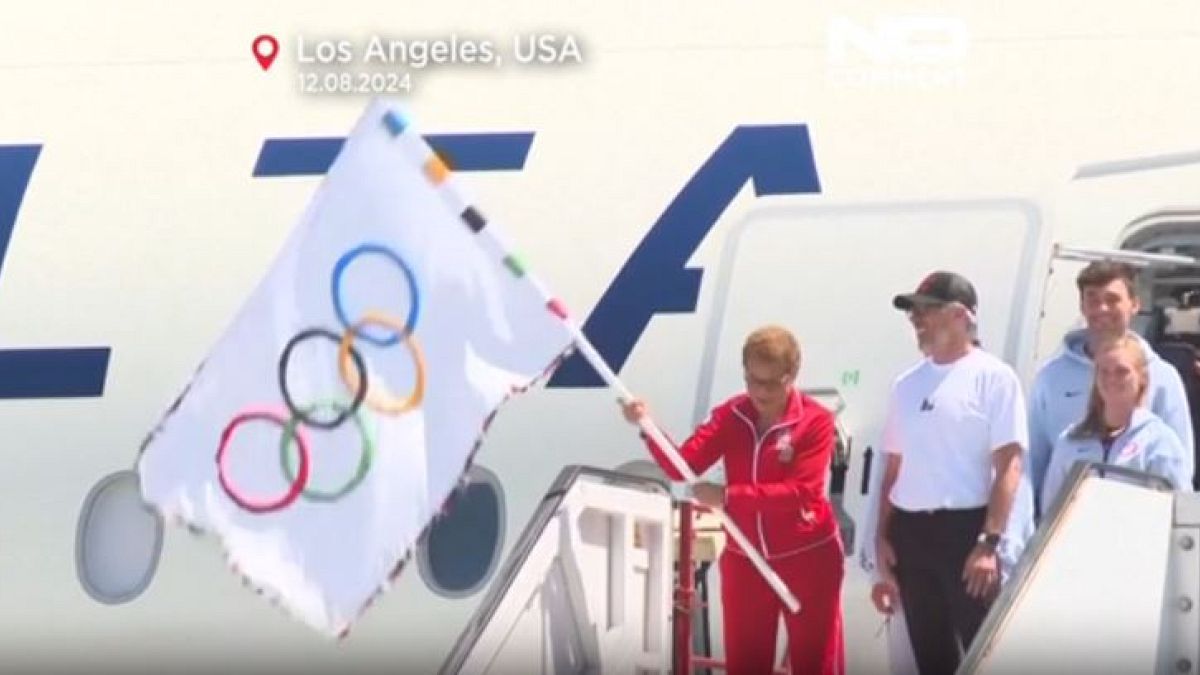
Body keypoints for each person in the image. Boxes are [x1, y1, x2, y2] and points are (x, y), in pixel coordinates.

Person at [620, 325, 844, 675]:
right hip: (745, 557)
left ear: (792, 375)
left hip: (808, 559)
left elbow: (803, 491)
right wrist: (648, 428)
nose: (759, 392)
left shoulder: (815, 420)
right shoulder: (732, 414)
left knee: (816, 664)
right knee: (745, 664)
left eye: (770, 383)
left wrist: (728, 496)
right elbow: (684, 466)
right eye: (752, 380)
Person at [871, 271, 1027, 675]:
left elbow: (1009, 465)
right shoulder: (906, 384)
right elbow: (894, 467)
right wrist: (882, 538)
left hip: (966, 534)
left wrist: (989, 542)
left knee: (984, 654)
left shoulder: (995, 377)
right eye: (913, 313)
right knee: (931, 657)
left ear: (960, 315)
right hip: (912, 534)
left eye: (926, 310)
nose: (916, 320)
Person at [1028, 261, 1193, 512]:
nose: (1102, 308)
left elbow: (1179, 470)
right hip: (1070, 534)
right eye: (1092, 299)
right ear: (1082, 306)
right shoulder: (1051, 378)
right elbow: (1032, 465)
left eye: (1113, 299)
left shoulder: (1164, 378)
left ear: (1134, 304)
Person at [1041, 333, 1191, 509]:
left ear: (1142, 378)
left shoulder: (1160, 444)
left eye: (1122, 371)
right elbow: (1051, 511)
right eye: (1104, 371)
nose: (1112, 379)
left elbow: (1177, 512)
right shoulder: (1070, 441)